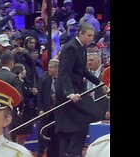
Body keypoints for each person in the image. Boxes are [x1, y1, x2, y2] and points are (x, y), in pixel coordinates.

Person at [54, 23, 106, 157]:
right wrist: (69, 93)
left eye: (92, 36)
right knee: (93, 112)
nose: (91, 38)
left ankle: (73, 152)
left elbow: (82, 71)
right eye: (88, 35)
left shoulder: (81, 48)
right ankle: (72, 152)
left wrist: (100, 82)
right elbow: (65, 73)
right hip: (68, 91)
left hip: (76, 89)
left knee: (77, 126)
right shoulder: (71, 47)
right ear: (80, 34)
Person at [37, 59, 60, 157]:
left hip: (59, 114)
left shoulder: (63, 80)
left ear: (57, 68)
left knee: (57, 139)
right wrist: (41, 109)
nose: (48, 69)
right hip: (47, 114)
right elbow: (40, 96)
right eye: (49, 67)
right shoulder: (44, 79)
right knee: (44, 137)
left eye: (51, 67)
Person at [10, 63, 34, 146]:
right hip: (19, 111)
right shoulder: (17, 83)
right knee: (18, 133)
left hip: (27, 110)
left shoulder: (25, 82)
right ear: (19, 71)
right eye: (24, 69)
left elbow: (27, 94)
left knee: (24, 134)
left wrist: (32, 92)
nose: (25, 71)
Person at [86, 52, 109, 118]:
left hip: (102, 109)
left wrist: (109, 110)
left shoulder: (107, 73)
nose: (89, 62)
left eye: (91, 60)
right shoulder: (85, 74)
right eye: (88, 60)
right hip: (88, 108)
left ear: (99, 61)